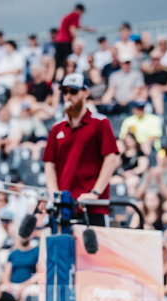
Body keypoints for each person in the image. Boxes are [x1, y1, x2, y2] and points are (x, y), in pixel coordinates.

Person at [43, 73, 120, 226]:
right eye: (65, 91)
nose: (68, 96)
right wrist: (54, 194)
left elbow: (111, 159)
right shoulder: (57, 128)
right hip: (64, 205)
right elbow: (49, 164)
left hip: (93, 206)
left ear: (86, 92)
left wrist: (95, 193)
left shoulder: (100, 123)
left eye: (73, 91)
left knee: (94, 243)